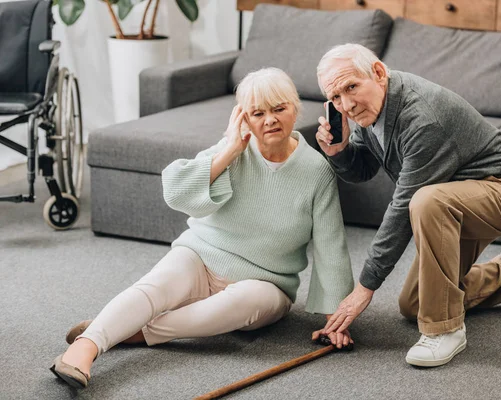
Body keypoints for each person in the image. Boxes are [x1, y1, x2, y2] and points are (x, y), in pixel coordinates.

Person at [50, 67, 354, 389]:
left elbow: (330, 245)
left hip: (266, 283)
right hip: (202, 255)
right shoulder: (232, 151)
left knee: (244, 303)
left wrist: (336, 319)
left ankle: (134, 331)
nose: (270, 120)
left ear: (296, 108)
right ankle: (85, 347)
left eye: (279, 109)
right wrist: (229, 150)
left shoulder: (316, 171)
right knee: (156, 286)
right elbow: (175, 191)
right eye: (258, 113)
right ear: (242, 118)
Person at [315, 44, 501, 367]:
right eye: (335, 98)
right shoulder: (369, 107)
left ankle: (446, 331)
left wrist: (364, 288)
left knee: (425, 200)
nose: (346, 105)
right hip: (456, 198)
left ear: (378, 72)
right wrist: (340, 150)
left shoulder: (422, 118)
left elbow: (403, 208)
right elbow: (364, 170)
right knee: (414, 303)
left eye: (351, 88)